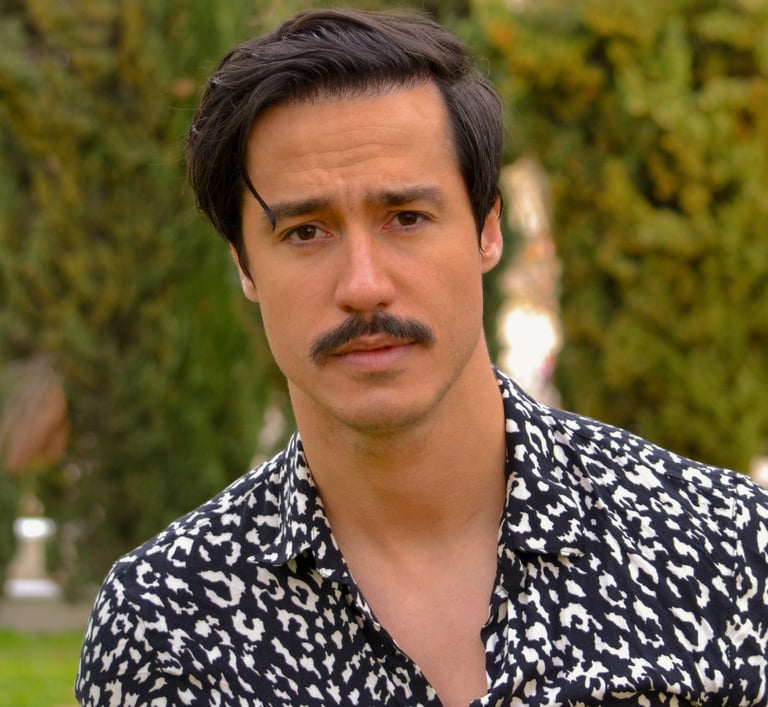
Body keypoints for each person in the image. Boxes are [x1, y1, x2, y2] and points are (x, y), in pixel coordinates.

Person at [75, 9, 768, 706]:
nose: (363, 285)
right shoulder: (166, 624)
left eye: (406, 218)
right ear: (245, 267)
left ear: (487, 230)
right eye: (306, 231)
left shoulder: (726, 549)